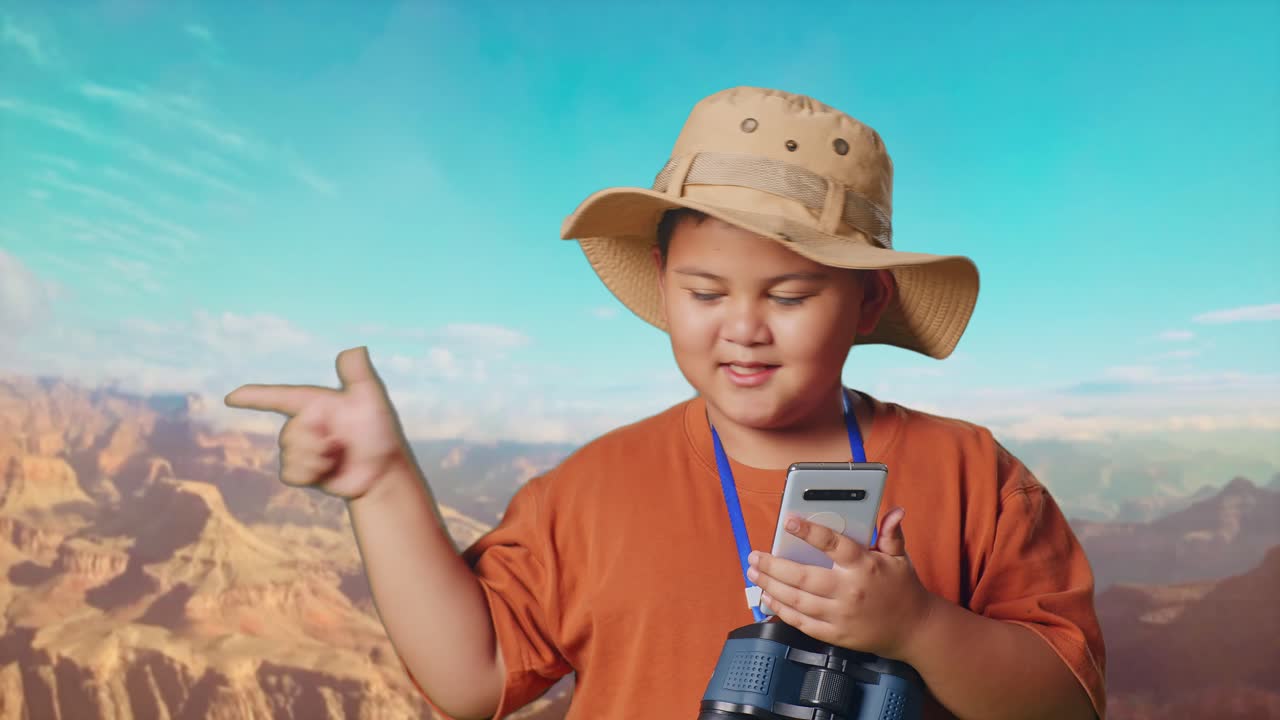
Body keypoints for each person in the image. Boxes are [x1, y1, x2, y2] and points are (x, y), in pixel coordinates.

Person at [225, 86, 1106, 719]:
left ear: (867, 301)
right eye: (706, 292)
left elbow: (1066, 704)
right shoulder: (596, 489)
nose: (744, 329)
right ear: (662, 283)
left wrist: (919, 627)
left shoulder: (972, 474)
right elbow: (474, 678)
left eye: (790, 297)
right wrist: (381, 485)